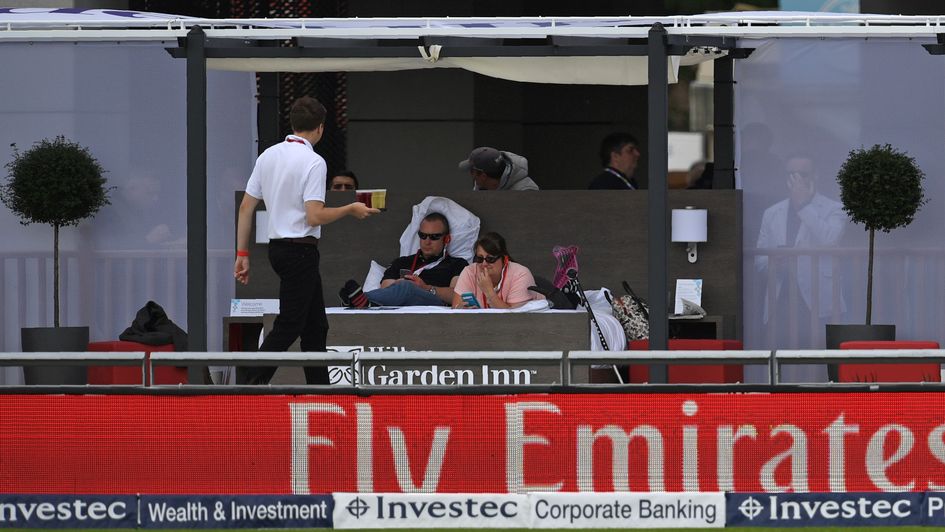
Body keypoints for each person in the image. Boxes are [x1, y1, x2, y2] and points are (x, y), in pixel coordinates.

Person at [234, 96, 379, 385]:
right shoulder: (314, 162)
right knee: (290, 324)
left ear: (293, 123)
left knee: (316, 326)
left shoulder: (268, 156)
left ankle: (320, 387)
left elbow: (246, 207)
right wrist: (350, 208)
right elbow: (314, 216)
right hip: (300, 249)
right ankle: (249, 385)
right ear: (320, 129)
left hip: (279, 249)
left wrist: (242, 253)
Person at [755, 154, 847, 370]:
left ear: (815, 176)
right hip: (781, 298)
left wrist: (804, 204)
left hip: (819, 299)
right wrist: (774, 261)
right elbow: (759, 260)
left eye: (802, 175)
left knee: (822, 364)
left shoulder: (833, 208)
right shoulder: (772, 213)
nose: (796, 180)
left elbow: (829, 239)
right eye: (791, 175)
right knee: (781, 363)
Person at [340, 212, 468, 307]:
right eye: (423, 236)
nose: (427, 241)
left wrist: (425, 287)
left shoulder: (457, 264)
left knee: (407, 287)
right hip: (400, 300)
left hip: (433, 302)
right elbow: (385, 286)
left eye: (434, 237)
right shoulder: (402, 262)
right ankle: (361, 302)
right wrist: (399, 283)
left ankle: (358, 301)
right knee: (404, 286)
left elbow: (456, 295)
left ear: (447, 239)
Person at [452, 232, 545, 309]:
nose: (484, 264)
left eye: (490, 259)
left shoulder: (520, 274)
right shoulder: (469, 272)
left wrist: (489, 292)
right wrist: (460, 310)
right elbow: (455, 309)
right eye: (479, 259)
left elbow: (515, 320)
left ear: (504, 259)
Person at [458, 146, 539, 191]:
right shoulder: (481, 187)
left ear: (483, 176)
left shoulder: (526, 192)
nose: (472, 176)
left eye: (472, 171)